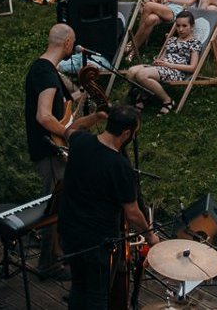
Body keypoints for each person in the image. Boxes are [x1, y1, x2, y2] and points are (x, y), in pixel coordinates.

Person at [23, 24, 102, 257]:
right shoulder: (46, 74)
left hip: (52, 147)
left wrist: (92, 100)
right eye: (73, 43)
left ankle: (57, 253)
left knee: (60, 205)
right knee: (53, 209)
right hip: (49, 148)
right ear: (67, 43)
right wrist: (68, 135)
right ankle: (49, 263)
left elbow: (68, 108)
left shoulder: (47, 70)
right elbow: (44, 115)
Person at [58, 106, 148, 310]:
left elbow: (70, 128)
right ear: (126, 133)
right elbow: (132, 213)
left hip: (69, 232)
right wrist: (150, 236)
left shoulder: (80, 141)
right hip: (97, 242)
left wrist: (95, 116)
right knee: (97, 294)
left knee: (78, 287)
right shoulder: (120, 165)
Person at [120, 10, 203, 115]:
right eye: (178, 26)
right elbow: (163, 57)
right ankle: (144, 95)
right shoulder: (172, 40)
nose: (180, 29)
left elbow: (192, 67)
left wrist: (168, 65)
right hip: (163, 68)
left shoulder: (194, 43)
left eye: (184, 26)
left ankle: (168, 101)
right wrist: (159, 61)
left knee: (142, 75)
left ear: (192, 26)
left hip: (176, 71)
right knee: (131, 72)